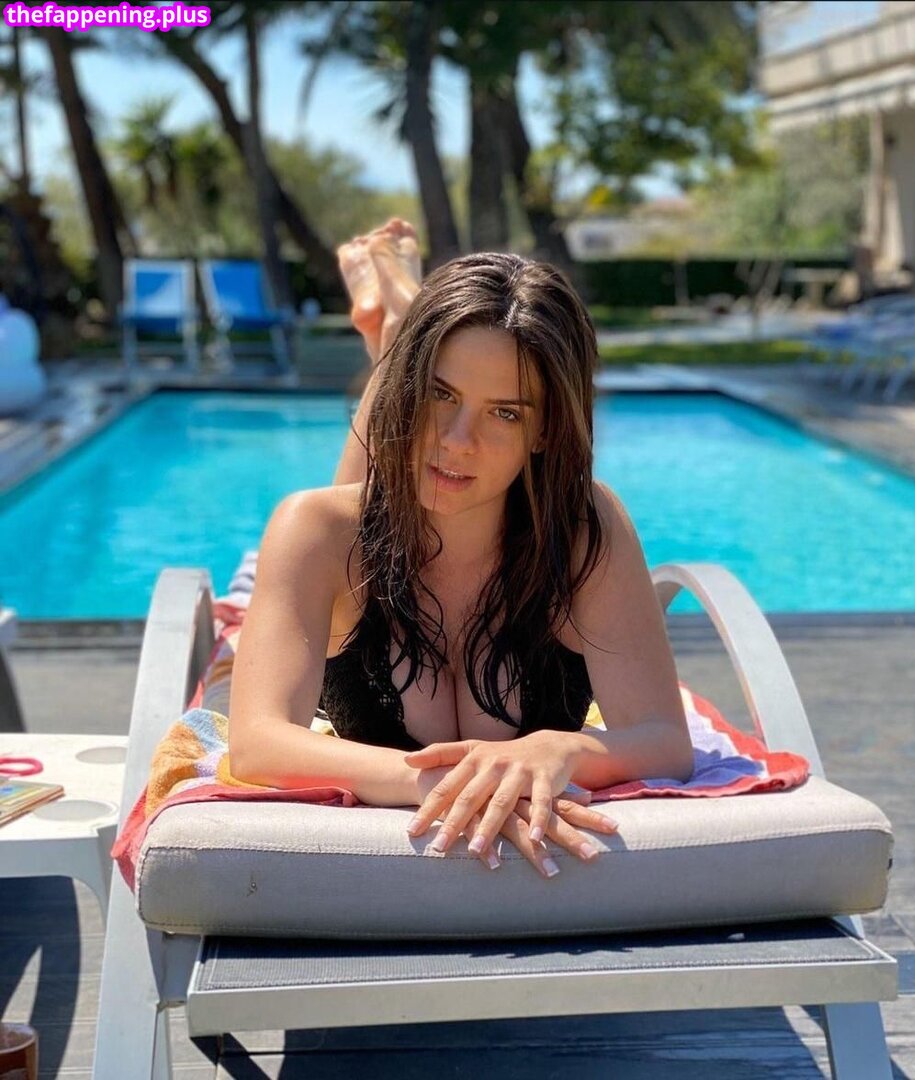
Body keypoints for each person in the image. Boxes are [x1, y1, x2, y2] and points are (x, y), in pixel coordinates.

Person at [229, 219, 693, 879]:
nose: (457, 438)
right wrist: (459, 784)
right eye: (437, 392)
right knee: (358, 513)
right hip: (352, 548)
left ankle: (404, 332)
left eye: (506, 412)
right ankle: (399, 339)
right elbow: (255, 744)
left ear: (545, 430)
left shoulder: (584, 527)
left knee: (400, 484)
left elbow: (666, 741)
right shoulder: (313, 529)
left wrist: (559, 750)